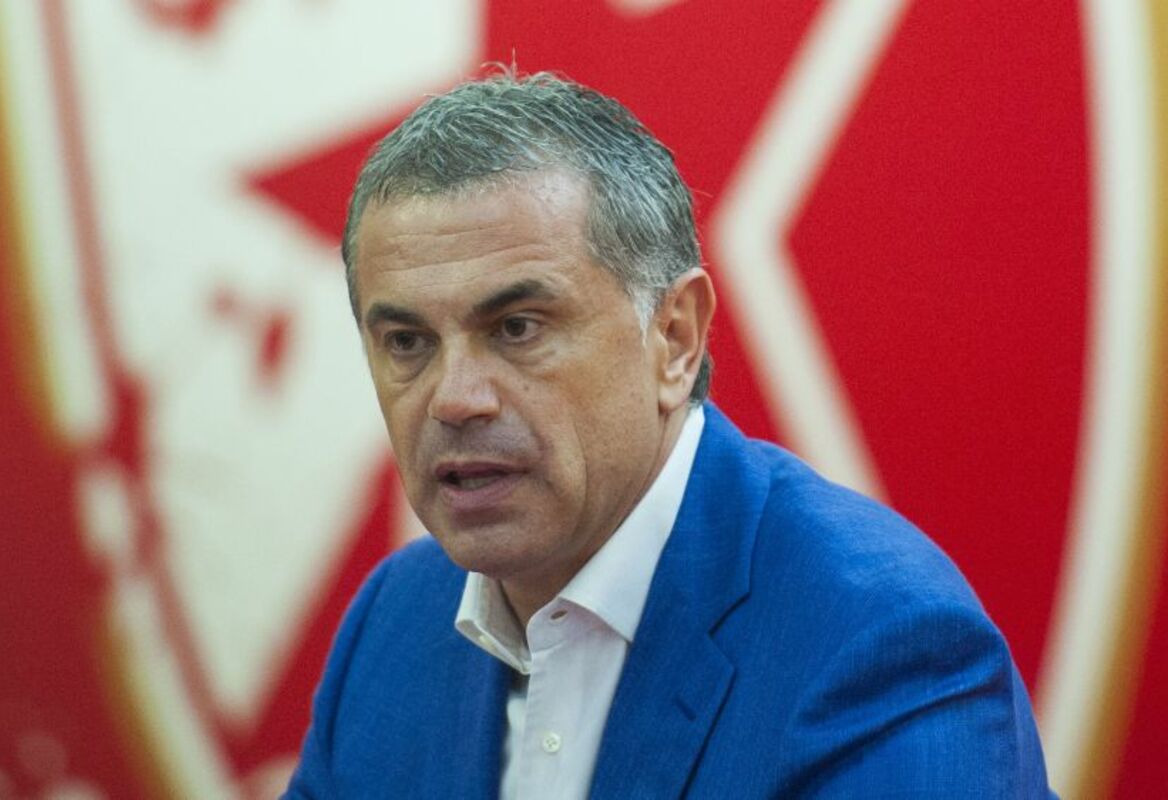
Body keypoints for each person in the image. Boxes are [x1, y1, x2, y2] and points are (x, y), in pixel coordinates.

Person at [286, 71, 1054, 798]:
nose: (455, 399)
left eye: (517, 327)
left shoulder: (879, 642)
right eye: (407, 342)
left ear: (676, 339)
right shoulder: (394, 621)